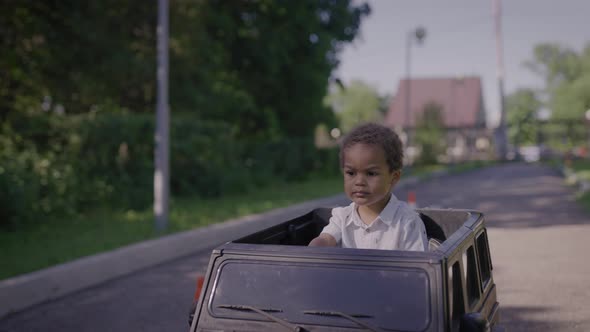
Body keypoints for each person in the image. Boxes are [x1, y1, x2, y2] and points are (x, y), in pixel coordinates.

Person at [308, 122, 428, 251]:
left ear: (394, 178)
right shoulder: (342, 218)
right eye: (351, 173)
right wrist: (315, 247)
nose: (359, 181)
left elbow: (417, 267)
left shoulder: (407, 223)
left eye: (371, 173)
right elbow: (325, 239)